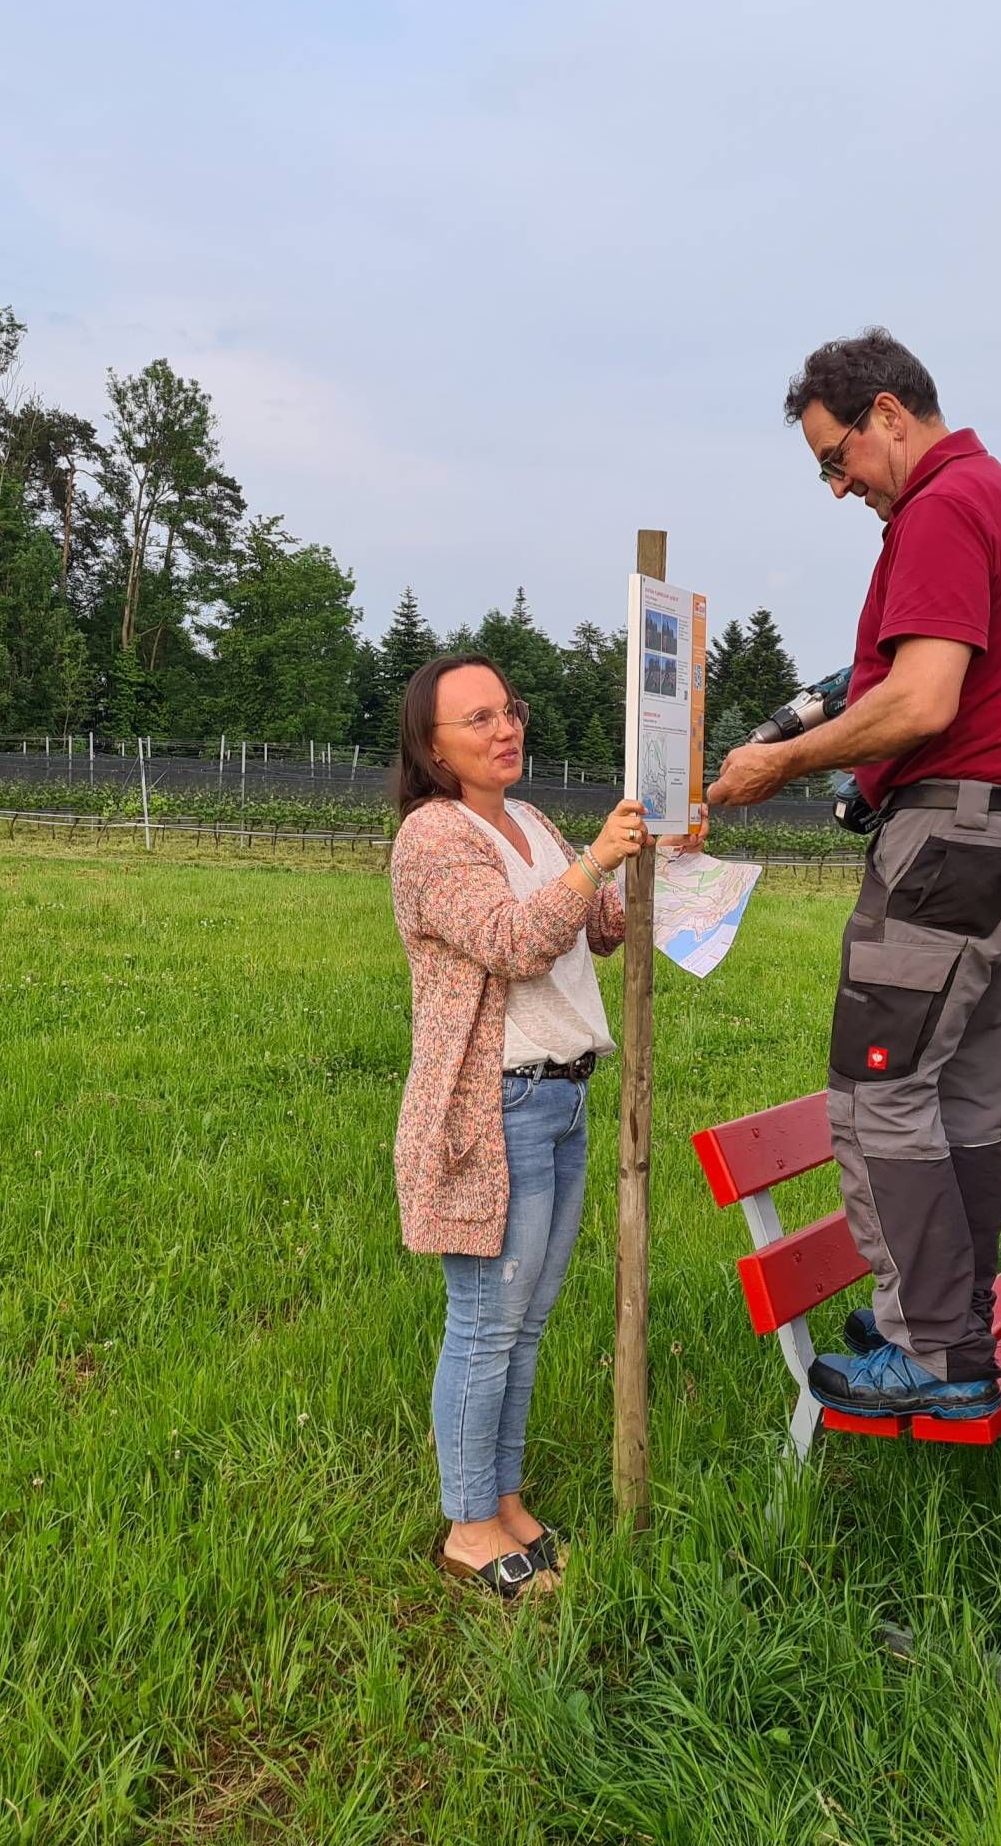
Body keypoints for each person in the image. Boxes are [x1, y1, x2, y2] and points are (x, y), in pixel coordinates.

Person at [707, 328, 1001, 1422]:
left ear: (885, 414)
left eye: (836, 459)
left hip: (958, 842)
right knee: (960, 1099)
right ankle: (949, 1319)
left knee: (875, 1095)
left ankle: (929, 1353)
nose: (837, 487)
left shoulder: (941, 508)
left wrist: (781, 760)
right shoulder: (1000, 498)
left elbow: (922, 703)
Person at [390, 653, 649, 1598]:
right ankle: (467, 1527)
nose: (507, 729)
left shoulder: (530, 822)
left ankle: (502, 1500)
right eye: (479, 718)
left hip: (564, 1095)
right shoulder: (433, 837)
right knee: (487, 1321)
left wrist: (652, 856)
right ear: (432, 744)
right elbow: (511, 938)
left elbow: (594, 922)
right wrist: (594, 865)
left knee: (527, 1321)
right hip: (493, 1104)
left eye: (511, 709)